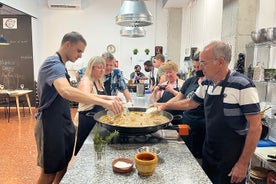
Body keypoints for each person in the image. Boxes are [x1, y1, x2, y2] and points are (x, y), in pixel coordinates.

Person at [154, 41, 262, 184]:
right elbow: (190, 103)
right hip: (210, 151)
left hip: (232, 156)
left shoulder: (242, 85)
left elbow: (256, 127)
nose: (200, 67)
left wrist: (242, 164)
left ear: (221, 61)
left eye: (204, 63)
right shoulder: (207, 83)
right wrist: (164, 105)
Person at [34, 32, 123, 184]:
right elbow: (66, 91)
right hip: (50, 125)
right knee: (49, 173)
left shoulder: (61, 66)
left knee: (62, 168)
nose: (81, 55)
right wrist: (106, 102)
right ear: (67, 44)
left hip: (63, 123)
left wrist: (107, 99)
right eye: (79, 50)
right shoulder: (52, 63)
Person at [163, 52, 206, 160]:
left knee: (199, 158)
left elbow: (190, 103)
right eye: (194, 67)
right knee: (186, 155)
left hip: (202, 127)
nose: (196, 70)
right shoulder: (191, 81)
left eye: (198, 67)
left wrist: (163, 106)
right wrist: (163, 105)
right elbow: (178, 98)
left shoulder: (208, 84)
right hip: (187, 124)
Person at [74, 56, 114, 155]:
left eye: (103, 68)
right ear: (91, 68)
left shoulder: (99, 81)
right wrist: (108, 99)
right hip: (86, 120)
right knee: (85, 152)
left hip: (96, 121)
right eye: (99, 67)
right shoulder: (86, 81)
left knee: (96, 151)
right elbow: (85, 97)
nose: (102, 70)